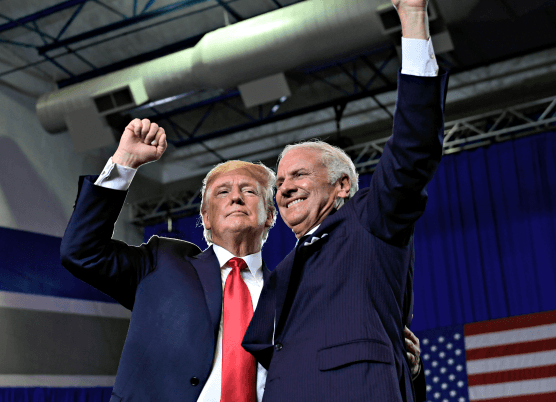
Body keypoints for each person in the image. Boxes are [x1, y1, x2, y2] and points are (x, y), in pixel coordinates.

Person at [60, 118, 423, 401]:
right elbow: (81, 251)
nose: (236, 197)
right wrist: (124, 162)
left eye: (249, 191)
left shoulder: (294, 287)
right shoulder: (162, 263)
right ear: (204, 216)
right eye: (222, 192)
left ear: (270, 214)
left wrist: (405, 365)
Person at [243, 0, 446, 402]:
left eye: (299, 174)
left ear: (341, 187)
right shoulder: (283, 271)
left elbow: (413, 150)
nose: (285, 186)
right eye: (280, 181)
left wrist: (413, 19)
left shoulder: (368, 220)